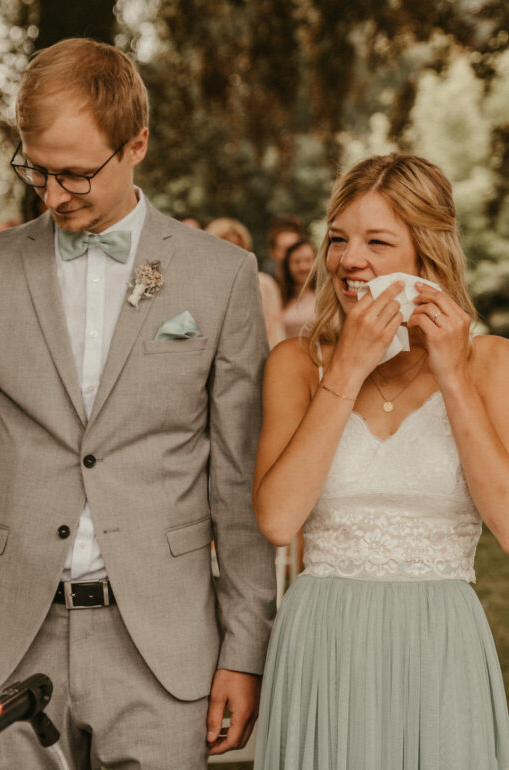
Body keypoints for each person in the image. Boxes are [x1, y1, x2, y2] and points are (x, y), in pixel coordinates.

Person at [0, 38, 276, 770]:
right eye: (35, 169)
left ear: (137, 144)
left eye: (74, 174)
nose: (51, 193)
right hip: (1, 636)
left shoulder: (221, 278)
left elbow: (237, 485)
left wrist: (246, 650)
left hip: (164, 647)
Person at [253, 153, 509, 769]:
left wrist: (452, 377)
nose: (348, 260)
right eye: (338, 239)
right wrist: (345, 367)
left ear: (428, 255)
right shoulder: (295, 364)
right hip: (323, 641)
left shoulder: (492, 363)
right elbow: (278, 520)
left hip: (440, 645)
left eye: (377, 241)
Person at [206, 217, 286, 348]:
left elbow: (276, 331)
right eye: (225, 246)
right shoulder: (206, 287)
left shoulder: (264, 284)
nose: (233, 253)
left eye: (238, 247)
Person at [278, 238, 317, 338]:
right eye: (296, 262)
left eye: (308, 260)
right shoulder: (278, 297)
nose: (302, 267)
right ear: (288, 266)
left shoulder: (328, 296)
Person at [261, 216, 306, 281]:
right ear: (273, 252)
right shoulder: (265, 282)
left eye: (295, 249)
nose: (292, 256)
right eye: (286, 250)